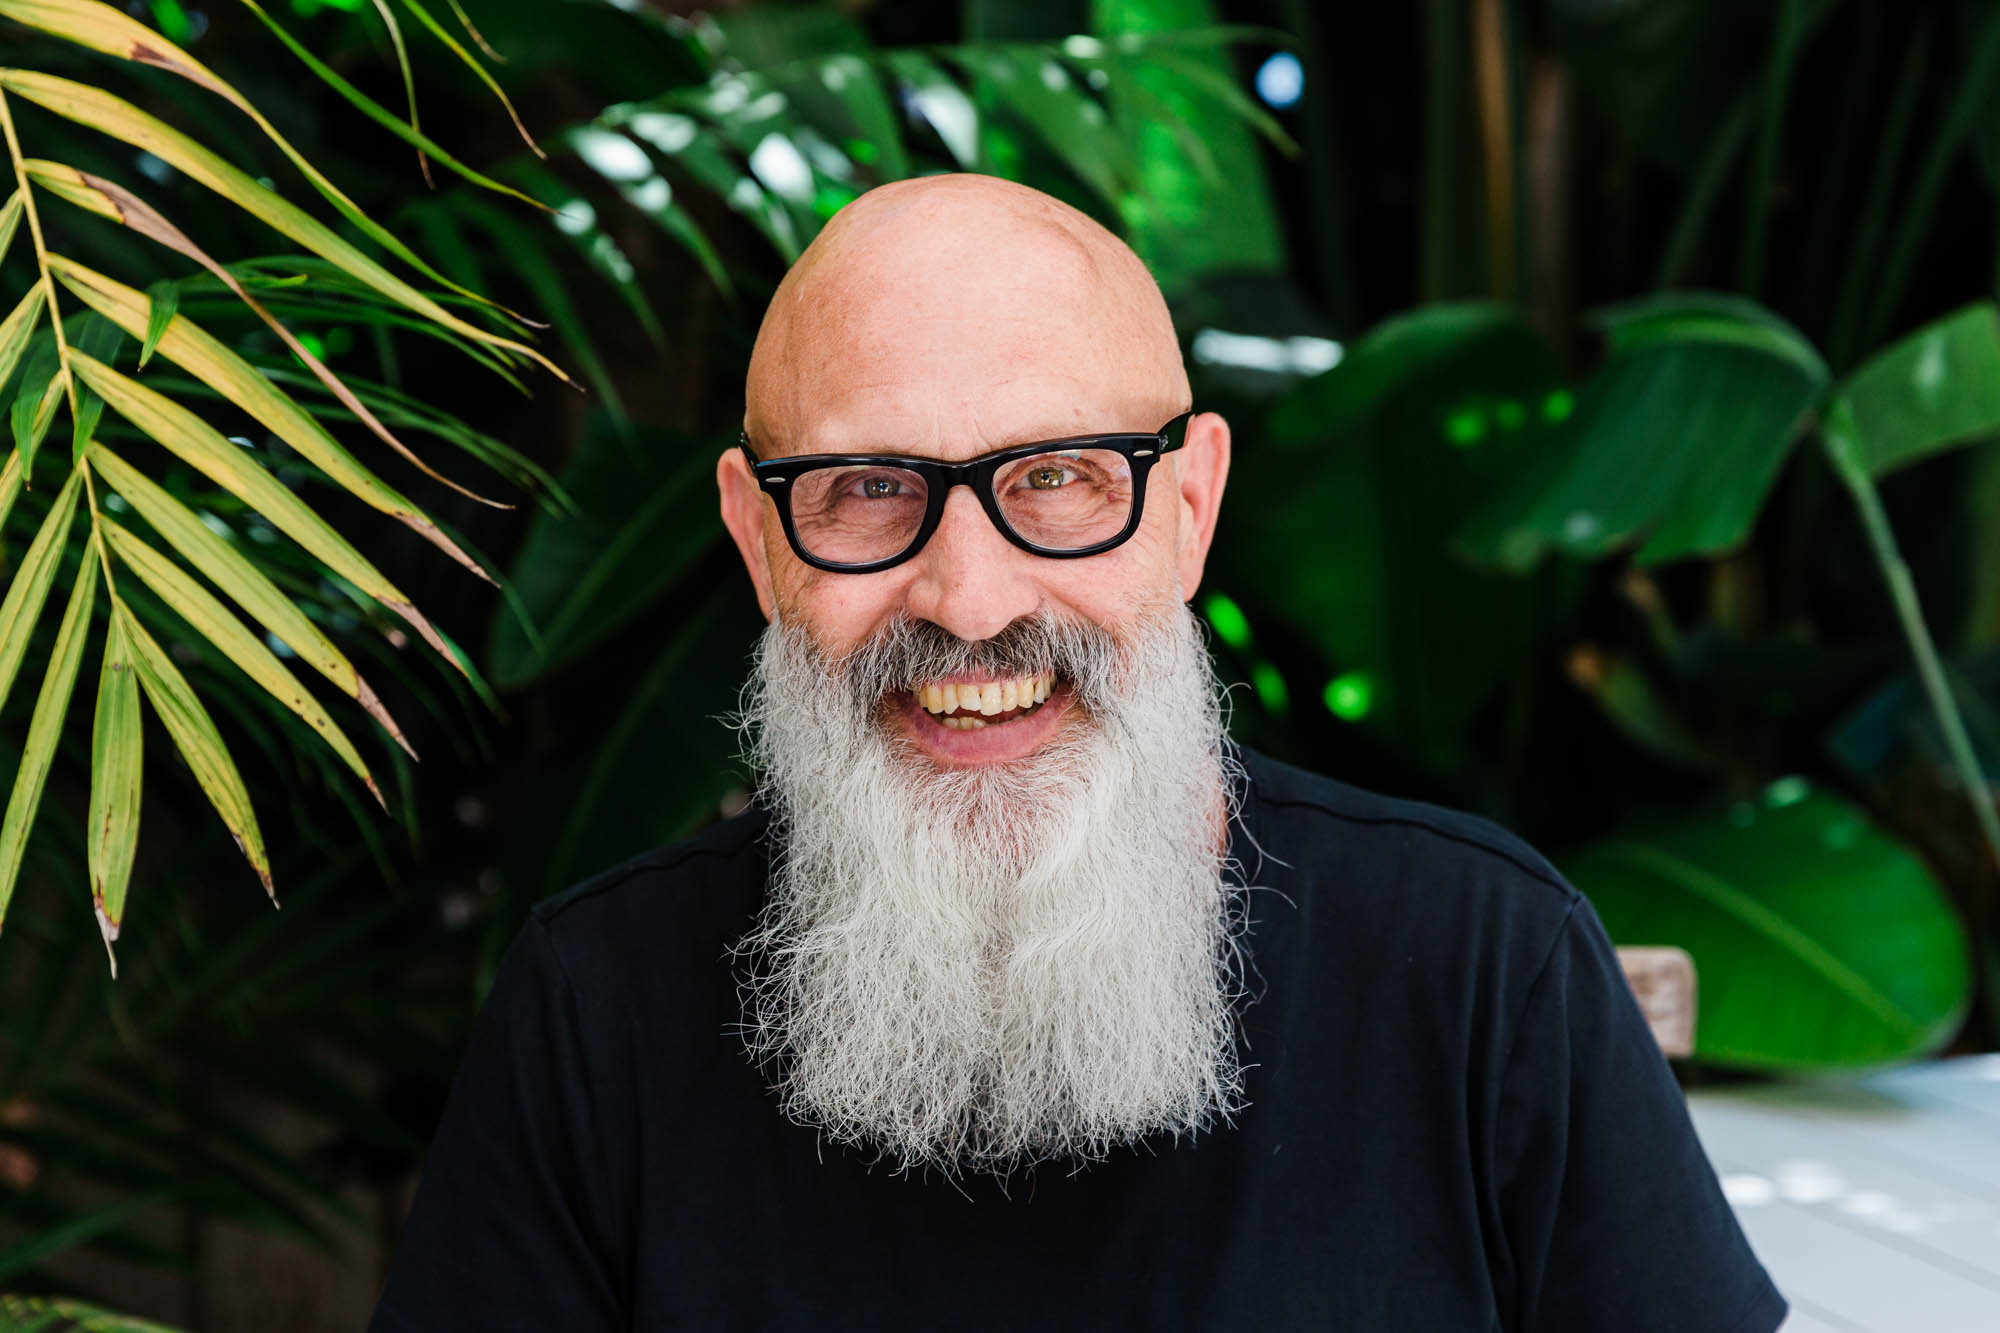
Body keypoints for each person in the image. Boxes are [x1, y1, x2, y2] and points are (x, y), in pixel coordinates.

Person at [368, 174, 1787, 1332]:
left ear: (1191, 506)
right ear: (755, 537)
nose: (971, 599)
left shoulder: (1489, 964)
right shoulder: (592, 1011)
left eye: (1057, 480)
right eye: (868, 491)